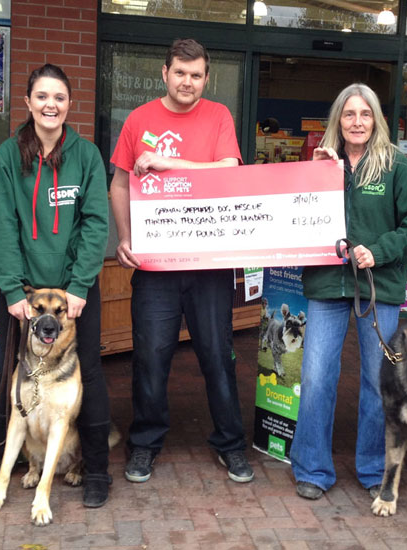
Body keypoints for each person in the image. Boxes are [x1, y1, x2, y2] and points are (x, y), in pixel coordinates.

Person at [109, 38, 253, 484]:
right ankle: (145, 444)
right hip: (155, 267)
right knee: (150, 359)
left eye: (196, 74)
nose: (187, 81)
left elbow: (230, 170)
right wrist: (126, 237)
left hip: (208, 265)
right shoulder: (139, 119)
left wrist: (171, 164)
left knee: (217, 357)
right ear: (165, 73)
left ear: (206, 78)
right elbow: (119, 183)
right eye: (180, 72)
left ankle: (230, 443)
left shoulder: (218, 116)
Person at [0, 64, 112, 508]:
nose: (51, 104)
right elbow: (5, 225)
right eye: (42, 96)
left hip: (73, 291)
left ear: (70, 105)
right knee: (11, 374)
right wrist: (13, 291)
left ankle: (96, 469)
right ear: (28, 102)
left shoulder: (86, 155)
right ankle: (1, 461)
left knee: (87, 371)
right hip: (24, 292)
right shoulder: (11, 154)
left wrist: (80, 285)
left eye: (60, 97)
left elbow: (95, 223)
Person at [289, 83, 407, 500]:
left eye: (365, 114)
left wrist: (381, 250)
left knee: (378, 382)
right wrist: (312, 175)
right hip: (326, 284)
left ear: (376, 120)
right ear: (338, 119)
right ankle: (313, 469)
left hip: (377, 287)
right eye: (349, 114)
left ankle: (375, 470)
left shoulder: (395, 167)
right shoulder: (320, 164)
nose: (356, 122)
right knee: (316, 378)